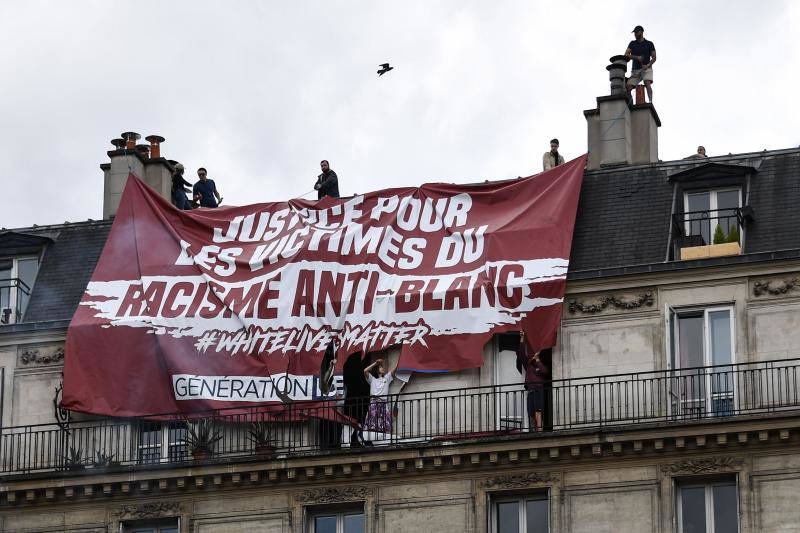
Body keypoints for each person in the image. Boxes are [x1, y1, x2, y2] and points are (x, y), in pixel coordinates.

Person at [516, 332, 549, 432]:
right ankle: (533, 431)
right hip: (530, 391)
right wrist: (522, 338)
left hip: (538, 390)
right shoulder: (528, 366)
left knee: (538, 411)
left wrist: (538, 360)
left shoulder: (540, 365)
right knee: (531, 413)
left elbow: (545, 372)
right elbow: (521, 354)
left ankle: (539, 431)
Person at [625, 25, 656, 103]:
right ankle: (630, 103)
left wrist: (648, 65)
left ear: (641, 32)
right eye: (634, 33)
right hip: (635, 70)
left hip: (647, 68)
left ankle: (650, 102)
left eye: (636, 32)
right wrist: (637, 57)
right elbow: (626, 55)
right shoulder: (632, 43)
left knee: (647, 82)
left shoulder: (649, 44)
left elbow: (654, 58)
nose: (635, 34)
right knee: (628, 87)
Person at [363, 357, 394, 434]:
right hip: (374, 403)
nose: (382, 368)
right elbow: (365, 370)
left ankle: (385, 441)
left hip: (383, 403)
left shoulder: (386, 378)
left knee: (386, 425)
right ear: (376, 370)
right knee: (372, 425)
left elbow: (395, 369)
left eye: (382, 367)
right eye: (380, 367)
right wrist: (375, 363)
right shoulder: (372, 379)